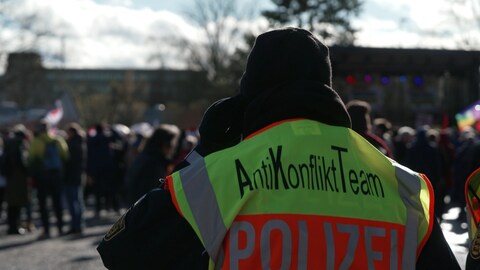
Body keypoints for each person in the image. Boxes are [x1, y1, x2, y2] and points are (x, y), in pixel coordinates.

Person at [97, 27, 459, 269]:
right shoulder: (405, 186)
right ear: (327, 89)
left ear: (247, 97)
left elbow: (121, 253)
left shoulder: (215, 180)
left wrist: (201, 156)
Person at [28, 120, 69, 239]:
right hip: (56, 176)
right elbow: (65, 156)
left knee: (43, 204)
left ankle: (46, 230)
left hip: (42, 177)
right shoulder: (58, 140)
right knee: (57, 202)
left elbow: (31, 159)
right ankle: (60, 227)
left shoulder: (36, 141)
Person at [125, 124, 180, 205]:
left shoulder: (146, 156)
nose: (173, 148)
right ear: (165, 144)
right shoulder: (154, 163)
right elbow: (151, 193)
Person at [2, 125, 30, 235]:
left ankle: (12, 226)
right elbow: (22, 162)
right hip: (18, 178)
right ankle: (15, 226)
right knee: (17, 204)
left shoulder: (8, 143)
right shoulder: (19, 144)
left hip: (9, 177)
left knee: (11, 205)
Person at [64, 122, 86, 234]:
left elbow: (68, 161)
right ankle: (80, 224)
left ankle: (76, 225)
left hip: (71, 176)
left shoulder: (72, 145)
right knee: (78, 201)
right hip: (78, 175)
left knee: (73, 203)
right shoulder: (81, 143)